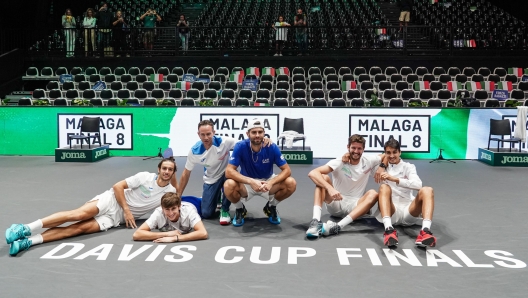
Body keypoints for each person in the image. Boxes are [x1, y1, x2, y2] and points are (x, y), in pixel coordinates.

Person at [6, 158, 178, 256]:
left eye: (170, 170)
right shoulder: (144, 177)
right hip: (112, 200)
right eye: (164, 168)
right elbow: (118, 186)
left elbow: (176, 203)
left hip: (115, 219)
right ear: (159, 169)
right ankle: (25, 228)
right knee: (79, 214)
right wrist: (127, 211)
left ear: (172, 173)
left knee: (79, 229)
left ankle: (28, 242)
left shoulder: (169, 192)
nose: (166, 172)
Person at [178, 120, 272, 225]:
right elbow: (186, 173)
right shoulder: (194, 152)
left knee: (230, 179)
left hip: (227, 174)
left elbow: (247, 143)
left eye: (208, 134)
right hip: (211, 178)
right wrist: (178, 195)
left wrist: (263, 139)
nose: (206, 137)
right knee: (206, 213)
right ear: (198, 134)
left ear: (214, 132)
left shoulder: (224, 141)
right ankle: (213, 197)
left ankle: (225, 209)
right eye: (202, 134)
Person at [306, 134, 387, 238]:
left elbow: (385, 155)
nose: (356, 151)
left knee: (373, 193)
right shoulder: (339, 161)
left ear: (363, 149)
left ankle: (338, 226)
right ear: (348, 147)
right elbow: (313, 173)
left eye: (359, 148)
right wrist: (330, 188)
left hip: (356, 206)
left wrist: (381, 167)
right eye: (353, 148)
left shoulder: (369, 160)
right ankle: (315, 222)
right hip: (336, 203)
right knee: (323, 178)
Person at [224, 118, 297, 226]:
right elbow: (229, 171)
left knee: (291, 183)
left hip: (267, 181)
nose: (257, 135)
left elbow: (287, 170)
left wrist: (271, 183)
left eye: (260, 132)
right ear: (248, 134)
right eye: (254, 132)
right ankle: (240, 209)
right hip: (247, 183)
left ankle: (271, 207)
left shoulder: (272, 146)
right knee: (228, 185)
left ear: (264, 133)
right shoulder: (240, 146)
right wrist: (251, 181)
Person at [377, 138, 437, 248]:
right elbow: (363, 158)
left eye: (394, 152)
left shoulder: (408, 167)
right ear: (384, 154)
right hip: (391, 212)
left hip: (408, 212)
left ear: (400, 152)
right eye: (388, 153)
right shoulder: (380, 167)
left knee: (427, 189)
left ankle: (425, 231)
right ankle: (389, 230)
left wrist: (395, 179)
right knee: (384, 187)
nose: (391, 156)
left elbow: (418, 185)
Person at [133, 193, 207, 243]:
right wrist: (168, 234)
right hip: (178, 201)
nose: (170, 213)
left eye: (173, 209)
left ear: (179, 207)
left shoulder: (189, 211)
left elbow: (203, 233)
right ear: (162, 208)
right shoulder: (158, 213)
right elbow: (137, 234)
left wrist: (175, 238)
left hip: (194, 203)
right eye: (167, 209)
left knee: (208, 211)